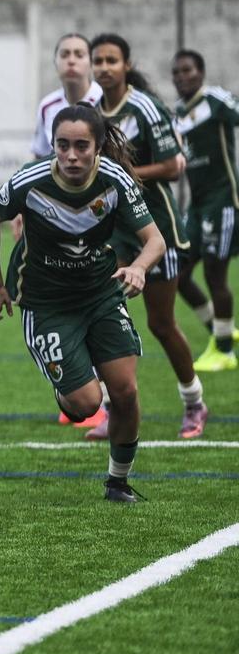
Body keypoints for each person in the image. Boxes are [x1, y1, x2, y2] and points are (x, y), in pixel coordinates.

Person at [0, 104, 164, 502]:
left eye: (82, 146)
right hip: (45, 302)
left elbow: (155, 240)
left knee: (126, 392)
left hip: (100, 294)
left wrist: (139, 268)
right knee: (85, 405)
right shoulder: (30, 181)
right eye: (62, 145)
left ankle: (118, 482)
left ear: (97, 147)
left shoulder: (115, 180)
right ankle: (67, 384)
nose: (72, 155)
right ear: (53, 145)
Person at [91, 33, 208, 440]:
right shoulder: (93, 112)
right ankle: (113, 409)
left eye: (112, 60)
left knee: (161, 323)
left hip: (155, 228)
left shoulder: (143, 107)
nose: (104, 67)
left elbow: (173, 166)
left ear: (126, 65)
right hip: (114, 232)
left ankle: (194, 402)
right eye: (98, 60)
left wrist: (123, 175)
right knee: (103, 318)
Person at [18, 33, 107, 427]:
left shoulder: (105, 101)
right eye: (65, 54)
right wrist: (22, 209)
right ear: (55, 62)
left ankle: (102, 396)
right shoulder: (48, 106)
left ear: (90, 62)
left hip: (102, 217)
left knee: (100, 301)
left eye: (79, 53)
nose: (72, 60)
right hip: (56, 222)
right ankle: (80, 388)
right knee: (63, 293)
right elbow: (39, 158)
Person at [171, 49, 239, 375]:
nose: (182, 76)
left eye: (188, 70)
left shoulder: (216, 100)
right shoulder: (177, 114)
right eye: (177, 72)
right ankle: (220, 331)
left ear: (201, 72)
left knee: (214, 273)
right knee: (178, 273)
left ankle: (225, 351)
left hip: (223, 200)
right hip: (196, 206)